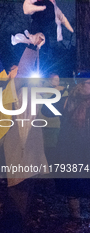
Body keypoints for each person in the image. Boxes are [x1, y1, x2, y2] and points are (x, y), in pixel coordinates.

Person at [0, 32, 48, 233]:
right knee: (17, 188)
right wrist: (32, 48)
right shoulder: (10, 89)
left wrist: (38, 50)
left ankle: (18, 226)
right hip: (17, 145)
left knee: (27, 188)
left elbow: (32, 73)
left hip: (31, 147)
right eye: (14, 70)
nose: (18, 72)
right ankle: (12, 230)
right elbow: (25, 71)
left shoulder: (29, 90)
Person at [42, 71, 90, 220]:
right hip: (70, 147)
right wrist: (57, 94)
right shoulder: (66, 100)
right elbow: (45, 109)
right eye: (89, 83)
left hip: (85, 147)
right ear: (80, 85)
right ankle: (75, 215)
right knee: (72, 182)